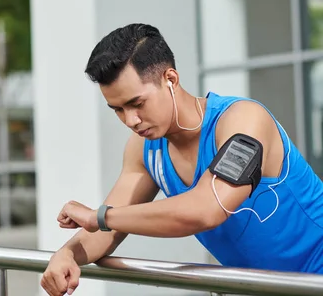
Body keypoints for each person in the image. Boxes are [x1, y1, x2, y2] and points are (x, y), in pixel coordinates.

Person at [40, 24, 323, 296]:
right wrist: (67, 254)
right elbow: (105, 232)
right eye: (118, 109)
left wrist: (98, 216)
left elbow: (207, 208)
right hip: (274, 288)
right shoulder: (145, 150)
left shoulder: (243, 120)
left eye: (137, 103)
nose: (131, 120)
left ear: (170, 79)